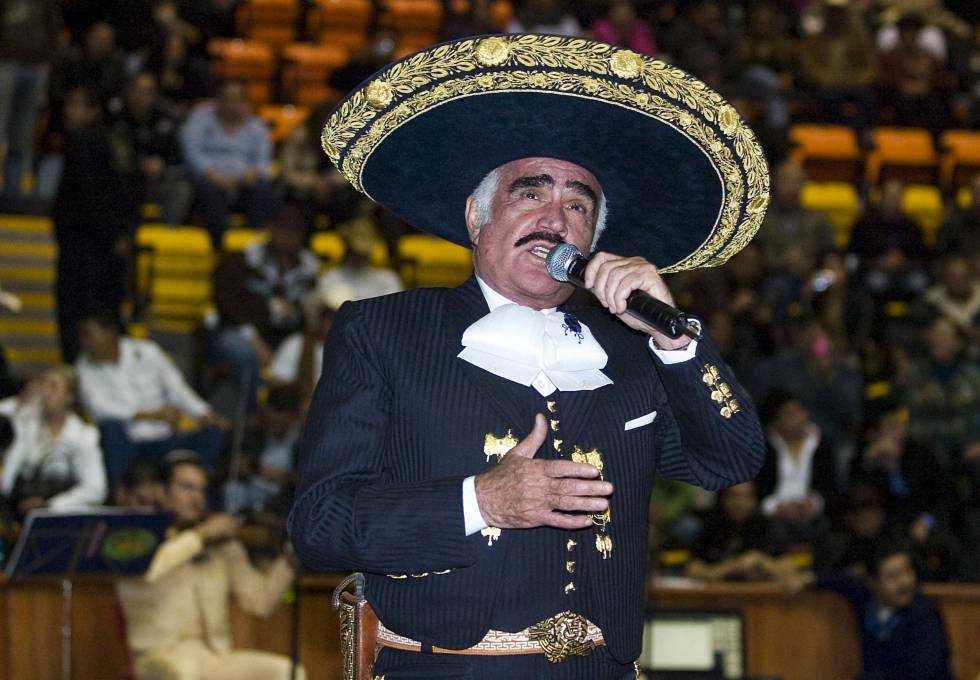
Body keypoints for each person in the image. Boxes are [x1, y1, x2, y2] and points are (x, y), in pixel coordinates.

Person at [289, 34, 768, 679]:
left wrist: (675, 340)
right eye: (530, 193)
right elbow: (319, 525)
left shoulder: (636, 352)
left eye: (578, 205)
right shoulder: (383, 332)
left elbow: (732, 459)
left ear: (595, 240)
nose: (556, 220)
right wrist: (479, 503)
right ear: (475, 216)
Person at [116, 450, 304, 680]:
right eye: (186, 488)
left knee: (288, 672)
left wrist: (292, 556)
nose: (197, 498)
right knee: (180, 674)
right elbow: (150, 569)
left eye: (201, 490)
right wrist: (200, 536)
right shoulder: (138, 538)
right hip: (160, 657)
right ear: (161, 491)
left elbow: (259, 602)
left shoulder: (219, 543)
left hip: (215, 657)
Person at [75, 310, 228, 489]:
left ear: (110, 332)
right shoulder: (84, 366)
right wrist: (151, 415)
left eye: (89, 335)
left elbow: (177, 388)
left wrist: (205, 414)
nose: (85, 342)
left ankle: (199, 493)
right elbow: (100, 410)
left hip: (165, 437)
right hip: (129, 442)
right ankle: (119, 495)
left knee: (214, 433)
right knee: (110, 429)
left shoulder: (147, 351)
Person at [52, 85, 140, 363]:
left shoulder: (85, 142)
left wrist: (114, 234)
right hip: (109, 244)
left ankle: (81, 373)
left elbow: (89, 194)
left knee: (79, 315)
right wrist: (123, 233)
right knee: (105, 312)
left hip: (86, 244)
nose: (70, 112)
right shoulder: (119, 139)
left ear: (94, 110)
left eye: (78, 105)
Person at [786, 541, 954, 680]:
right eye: (893, 576)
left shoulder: (924, 614)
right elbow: (845, 581)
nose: (904, 582)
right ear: (872, 583)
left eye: (907, 571)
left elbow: (923, 674)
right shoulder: (865, 598)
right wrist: (810, 578)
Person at [210, 202, 320, 412]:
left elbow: (311, 312)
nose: (287, 236)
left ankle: (296, 415)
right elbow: (228, 305)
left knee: (313, 352)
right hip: (241, 331)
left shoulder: (309, 268)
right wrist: (253, 339)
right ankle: (260, 410)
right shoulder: (243, 259)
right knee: (242, 353)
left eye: (294, 231)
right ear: (270, 228)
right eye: (282, 229)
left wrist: (296, 313)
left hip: (286, 336)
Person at [179, 79, 277, 246]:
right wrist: (212, 175)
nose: (232, 104)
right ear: (218, 100)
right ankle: (220, 247)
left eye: (237, 99)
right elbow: (191, 152)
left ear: (246, 102)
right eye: (227, 98)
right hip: (210, 179)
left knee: (264, 192)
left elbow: (263, 162)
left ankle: (255, 246)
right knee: (209, 192)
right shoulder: (200, 118)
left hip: (244, 182)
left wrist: (252, 173)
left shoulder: (257, 126)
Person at [0, 366, 106, 515]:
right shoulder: (25, 419)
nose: (46, 392)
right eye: (43, 384)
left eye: (53, 387)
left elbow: (96, 489)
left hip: (60, 509)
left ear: (70, 396)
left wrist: (51, 505)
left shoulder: (84, 436)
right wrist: (20, 404)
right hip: (18, 502)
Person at [110, 71, 192, 225]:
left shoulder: (165, 118)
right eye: (139, 90)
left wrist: (162, 166)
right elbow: (108, 156)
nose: (143, 96)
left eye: (149, 91)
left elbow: (177, 157)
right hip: (121, 182)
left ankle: (163, 238)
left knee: (181, 190)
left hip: (153, 183)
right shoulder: (115, 118)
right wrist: (136, 164)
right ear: (130, 91)